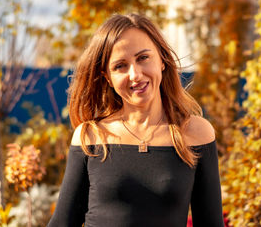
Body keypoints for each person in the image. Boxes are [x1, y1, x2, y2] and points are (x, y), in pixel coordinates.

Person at [47, 13, 224, 227]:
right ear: (107, 77)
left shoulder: (196, 133)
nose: (135, 74)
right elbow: (62, 223)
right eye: (120, 66)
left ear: (162, 60)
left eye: (143, 58)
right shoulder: (91, 136)